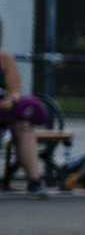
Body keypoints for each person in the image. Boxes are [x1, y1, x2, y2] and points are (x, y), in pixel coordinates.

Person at [0, 43, 51, 197]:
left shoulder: (5, 58)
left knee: (24, 126)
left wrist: (10, 101)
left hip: (3, 114)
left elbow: (15, 92)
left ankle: (34, 182)